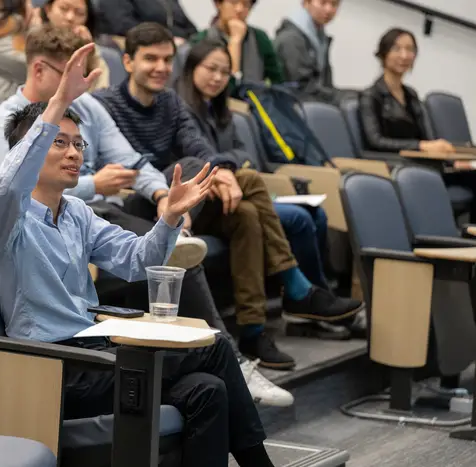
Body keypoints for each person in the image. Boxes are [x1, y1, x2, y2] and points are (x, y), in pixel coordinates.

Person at [0, 43, 275, 466]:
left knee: (209, 389)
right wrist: (59, 100)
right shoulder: (1, 215)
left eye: (78, 144)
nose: (74, 153)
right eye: (59, 142)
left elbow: (135, 261)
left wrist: (169, 217)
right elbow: (10, 181)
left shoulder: (77, 212)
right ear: (29, 152)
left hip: (97, 353)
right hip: (56, 367)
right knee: (217, 350)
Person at [93, 23, 363, 370]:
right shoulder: (105, 104)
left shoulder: (170, 103)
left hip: (185, 199)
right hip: (138, 202)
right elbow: (129, 166)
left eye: (166, 59)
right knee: (214, 170)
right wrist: (219, 173)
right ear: (128, 62)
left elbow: (199, 144)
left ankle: (252, 328)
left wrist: (221, 172)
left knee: (246, 214)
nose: (160, 67)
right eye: (150, 59)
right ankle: (296, 287)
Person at [177, 39, 330, 291]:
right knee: (300, 218)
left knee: (317, 214)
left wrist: (226, 161)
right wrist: (226, 163)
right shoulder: (180, 111)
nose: (217, 78)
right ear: (192, 67)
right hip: (209, 199)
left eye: (225, 72)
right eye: (211, 69)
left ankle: (317, 292)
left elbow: (243, 153)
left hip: (237, 189)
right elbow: (201, 158)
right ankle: (305, 296)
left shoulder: (223, 112)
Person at [359, 28, 455, 155]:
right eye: (396, 49)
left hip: (418, 159)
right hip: (392, 162)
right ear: (384, 54)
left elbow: (426, 137)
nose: (404, 56)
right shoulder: (370, 96)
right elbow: (375, 141)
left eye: (410, 49)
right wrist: (420, 146)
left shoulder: (411, 95)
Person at [190, 0, 284, 88]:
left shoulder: (259, 38)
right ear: (218, 4)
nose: (239, 9)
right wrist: (235, 42)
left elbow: (279, 81)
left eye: (246, 4)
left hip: (252, 101)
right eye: (233, 2)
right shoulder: (201, 40)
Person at [274, 0, 343, 103]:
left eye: (334, 4)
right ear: (306, 2)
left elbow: (326, 85)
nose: (329, 9)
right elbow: (302, 87)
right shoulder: (291, 38)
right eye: (323, 3)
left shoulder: (319, 39)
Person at [36, 0, 111, 90]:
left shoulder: (93, 55)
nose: (70, 18)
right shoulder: (32, 42)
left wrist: (88, 55)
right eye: (64, 9)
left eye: (79, 13)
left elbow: (98, 95)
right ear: (48, 9)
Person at [98, 0, 197, 45]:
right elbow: (122, 25)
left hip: (181, 44)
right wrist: (167, 39)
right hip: (144, 42)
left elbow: (190, 28)